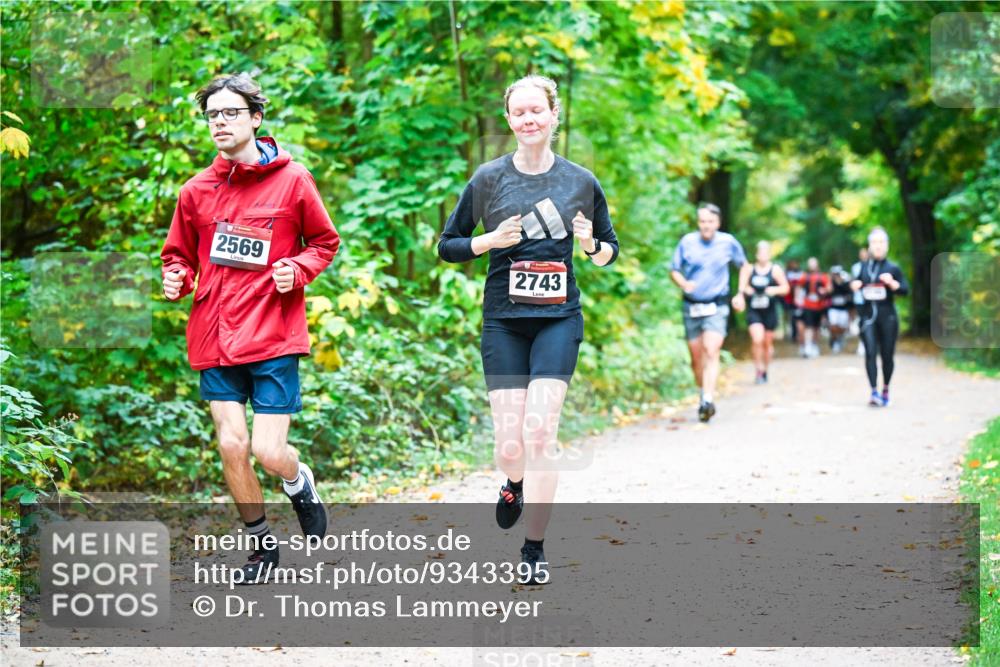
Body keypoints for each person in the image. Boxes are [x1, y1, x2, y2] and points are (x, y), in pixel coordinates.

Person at [437, 75, 619, 585]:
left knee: (541, 431)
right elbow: (448, 244)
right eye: (519, 113)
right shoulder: (489, 179)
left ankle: (534, 548)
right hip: (504, 321)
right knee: (510, 446)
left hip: (559, 319)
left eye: (537, 110)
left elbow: (609, 251)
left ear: (554, 116)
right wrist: (489, 240)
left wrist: (588, 245)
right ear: (510, 120)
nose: (529, 120)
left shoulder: (581, 182)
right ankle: (512, 481)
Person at [161, 73, 340, 581]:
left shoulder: (293, 179)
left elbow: (324, 242)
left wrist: (299, 269)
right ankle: (261, 547)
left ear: (255, 118)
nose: (220, 122)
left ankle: (297, 479)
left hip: (273, 330)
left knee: (267, 450)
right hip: (214, 331)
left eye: (230, 113)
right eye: (212, 114)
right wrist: (177, 276)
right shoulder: (195, 191)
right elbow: (178, 255)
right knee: (232, 444)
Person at [670, 203, 747, 422]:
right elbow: (674, 269)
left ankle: (708, 399)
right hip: (692, 305)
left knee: (710, 350)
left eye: (710, 221)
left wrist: (740, 293)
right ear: (698, 223)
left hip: (717, 305)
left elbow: (744, 266)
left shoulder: (728, 242)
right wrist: (684, 283)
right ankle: (703, 392)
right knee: (696, 357)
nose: (706, 226)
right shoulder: (687, 242)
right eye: (703, 221)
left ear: (718, 223)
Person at [850, 227, 908, 407]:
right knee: (869, 353)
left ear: (887, 246)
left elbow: (906, 290)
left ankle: (885, 389)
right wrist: (854, 285)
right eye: (874, 242)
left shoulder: (893, 267)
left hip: (888, 317)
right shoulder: (863, 267)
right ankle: (873, 392)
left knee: (887, 355)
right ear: (869, 246)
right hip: (868, 317)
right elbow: (854, 286)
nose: (878, 246)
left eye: (881, 242)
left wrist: (892, 284)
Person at [737, 241, 789, 383]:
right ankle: (758, 370)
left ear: (769, 255)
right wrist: (747, 291)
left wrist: (773, 290)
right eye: (760, 252)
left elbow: (786, 288)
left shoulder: (775, 270)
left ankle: (765, 369)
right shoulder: (749, 270)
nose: (763, 255)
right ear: (757, 254)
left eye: (766, 253)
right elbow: (742, 287)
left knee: (767, 343)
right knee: (757, 339)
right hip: (754, 310)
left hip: (770, 311)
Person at [794, 257, 830, 358]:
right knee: (808, 326)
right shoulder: (805, 276)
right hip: (808, 305)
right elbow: (798, 287)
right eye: (810, 263)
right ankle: (808, 346)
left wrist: (824, 291)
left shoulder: (823, 276)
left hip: (820, 305)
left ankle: (814, 344)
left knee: (816, 327)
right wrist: (797, 298)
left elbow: (829, 288)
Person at [826, 265, 853, 353]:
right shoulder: (830, 284)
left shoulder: (846, 283)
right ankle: (834, 340)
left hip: (843, 309)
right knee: (833, 326)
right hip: (833, 309)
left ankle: (839, 339)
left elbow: (850, 295)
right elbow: (827, 294)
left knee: (842, 327)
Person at [851, 247, 869, 356]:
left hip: (872, 299)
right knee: (862, 321)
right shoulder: (856, 267)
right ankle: (862, 343)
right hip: (859, 299)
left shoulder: (874, 266)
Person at [783, 259, 803, 343]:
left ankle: (797, 334)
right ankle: (789, 332)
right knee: (789, 317)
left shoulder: (800, 273)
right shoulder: (786, 273)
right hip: (788, 300)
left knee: (797, 317)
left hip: (798, 300)